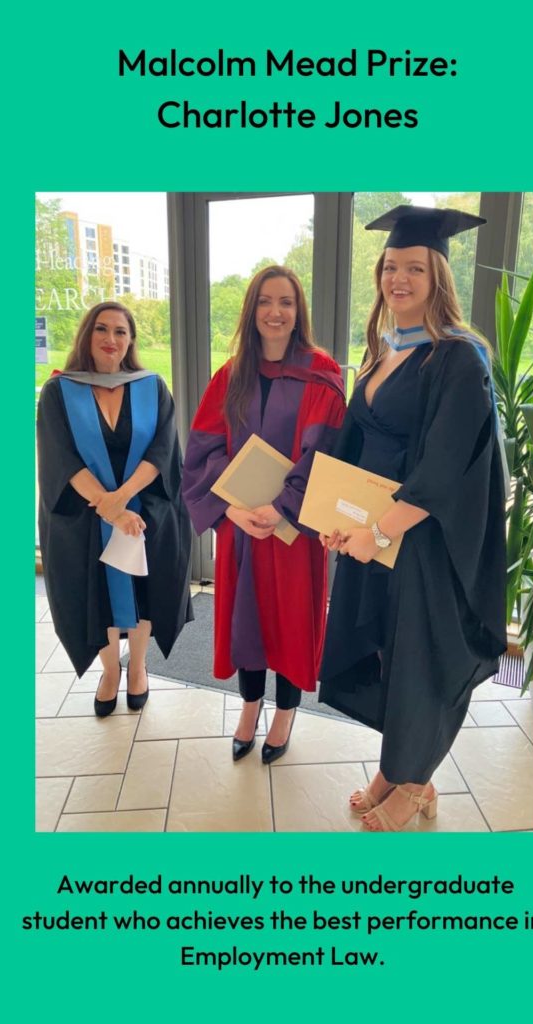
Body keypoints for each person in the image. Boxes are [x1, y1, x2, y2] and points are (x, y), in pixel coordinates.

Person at [319, 206, 507, 831]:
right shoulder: (381, 353)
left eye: (414, 268)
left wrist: (377, 533)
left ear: (438, 277)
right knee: (386, 653)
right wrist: (333, 518)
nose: (399, 278)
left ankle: (417, 781)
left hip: (422, 541)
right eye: (391, 267)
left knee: (421, 658)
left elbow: (448, 463)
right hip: (376, 537)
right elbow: (352, 446)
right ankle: (393, 767)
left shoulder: (459, 358)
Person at [183, 266, 345, 763]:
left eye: (287, 302)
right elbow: (203, 448)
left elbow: (326, 452)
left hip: (293, 529)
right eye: (266, 302)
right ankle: (250, 707)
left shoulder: (322, 374)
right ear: (252, 310)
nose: (276, 312)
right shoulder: (230, 375)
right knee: (245, 621)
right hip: (240, 527)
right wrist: (231, 506)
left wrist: (281, 507)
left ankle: (285, 713)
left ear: (299, 313)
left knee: (292, 621)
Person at [37, 301, 193, 716]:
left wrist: (121, 502)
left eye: (120, 331)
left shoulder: (151, 387)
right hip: (84, 517)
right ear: (87, 335)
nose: (111, 339)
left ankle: (138, 668)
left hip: (142, 512)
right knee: (97, 598)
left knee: (143, 592)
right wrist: (109, 509)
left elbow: (164, 450)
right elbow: (60, 458)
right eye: (101, 329)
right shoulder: (58, 391)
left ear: (131, 340)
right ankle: (110, 671)